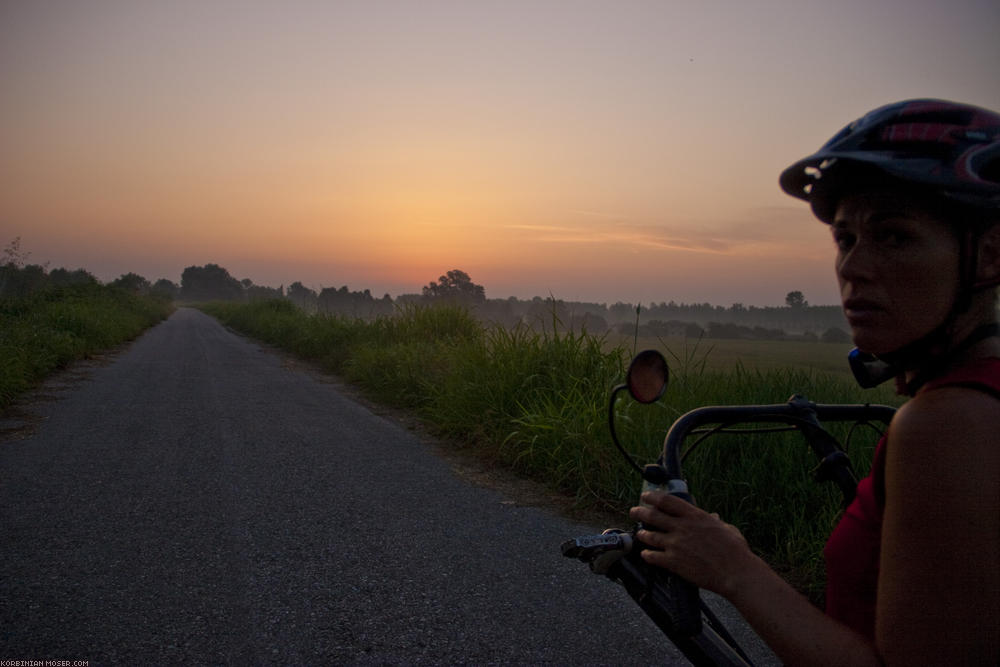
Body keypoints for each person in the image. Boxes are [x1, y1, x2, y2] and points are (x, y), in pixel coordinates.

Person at [630, 99, 1000, 666]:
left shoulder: (950, 422)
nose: (853, 267)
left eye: (895, 237)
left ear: (989, 254)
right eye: (846, 239)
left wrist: (732, 566)